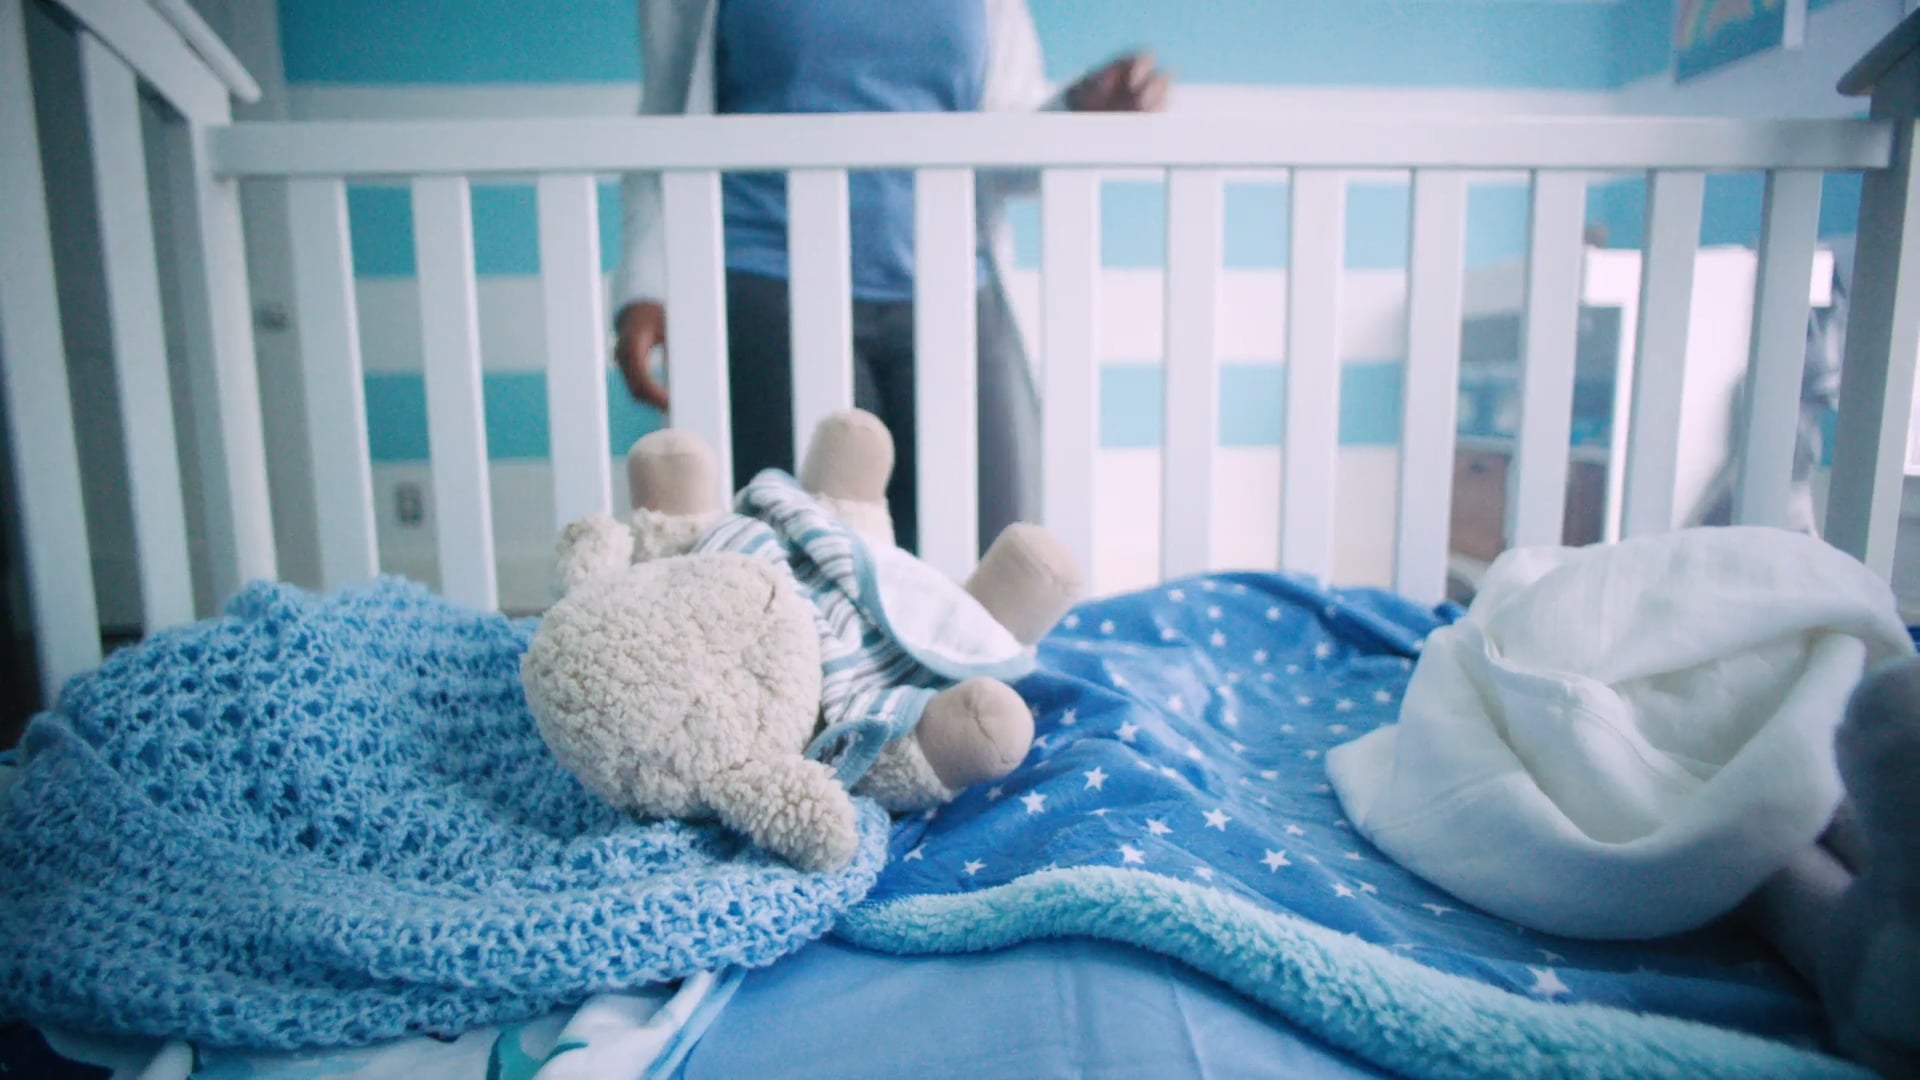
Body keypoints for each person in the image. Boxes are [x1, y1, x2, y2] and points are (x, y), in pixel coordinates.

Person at [611, 0, 1169, 554]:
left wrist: (1076, 111)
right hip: (765, 283)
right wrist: (645, 286)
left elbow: (1000, 146)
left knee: (990, 565)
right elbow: (663, 122)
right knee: (808, 570)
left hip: (955, 286)